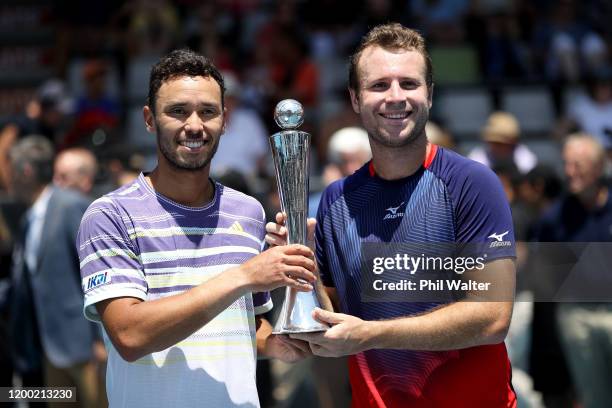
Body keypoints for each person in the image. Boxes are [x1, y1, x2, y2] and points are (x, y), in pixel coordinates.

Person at [266, 23, 517, 407]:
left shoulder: (472, 183)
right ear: (355, 98)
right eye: (379, 85)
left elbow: (491, 318)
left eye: (409, 84)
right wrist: (304, 270)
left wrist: (372, 335)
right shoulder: (338, 200)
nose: (395, 97)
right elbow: (331, 320)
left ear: (430, 94)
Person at [76, 49, 315, 407]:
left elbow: (243, 327)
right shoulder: (110, 214)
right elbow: (129, 335)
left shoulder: (248, 212)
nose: (194, 125)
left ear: (224, 118)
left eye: (208, 111)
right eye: (177, 111)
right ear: (149, 120)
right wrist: (243, 276)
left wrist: (278, 344)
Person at [2, 135, 104, 407]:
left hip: (85, 348)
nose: (6, 178)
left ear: (24, 171)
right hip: (49, 349)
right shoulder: (28, 219)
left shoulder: (69, 205)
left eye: (9, 169)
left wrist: (100, 339)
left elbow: (94, 273)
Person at [531, 133, 612, 408]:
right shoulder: (554, 219)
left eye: (578, 165)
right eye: (566, 164)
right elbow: (546, 276)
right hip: (577, 315)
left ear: (599, 168)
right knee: (594, 398)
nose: (569, 172)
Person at [468, 111, 537, 174]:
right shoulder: (477, 157)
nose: (498, 147)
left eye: (502, 143)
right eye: (495, 143)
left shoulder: (525, 157)